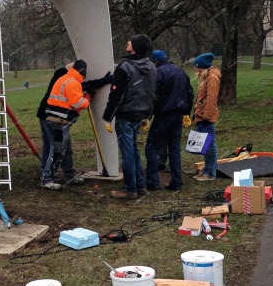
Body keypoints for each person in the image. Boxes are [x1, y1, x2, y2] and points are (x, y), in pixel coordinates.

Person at [39, 60, 110, 190]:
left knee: (66, 150)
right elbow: (78, 104)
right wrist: (87, 98)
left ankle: (70, 175)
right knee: (57, 151)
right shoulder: (72, 83)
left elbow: (80, 89)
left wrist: (98, 84)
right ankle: (47, 179)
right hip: (58, 122)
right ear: (82, 71)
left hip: (56, 120)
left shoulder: (66, 79)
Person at [103, 34, 157, 198]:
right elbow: (152, 94)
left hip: (126, 115)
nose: (127, 42)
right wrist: (147, 114)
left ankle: (130, 190)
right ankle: (140, 186)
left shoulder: (125, 67)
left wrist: (108, 116)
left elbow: (116, 95)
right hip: (139, 114)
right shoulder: (151, 67)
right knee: (133, 150)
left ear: (136, 47)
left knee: (127, 154)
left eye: (131, 41)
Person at [144, 50, 194, 191]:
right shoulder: (181, 71)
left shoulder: (158, 73)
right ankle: (177, 182)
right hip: (178, 116)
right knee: (174, 149)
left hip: (164, 115)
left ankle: (153, 182)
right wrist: (186, 112)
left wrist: (148, 115)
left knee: (152, 147)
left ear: (155, 62)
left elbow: (154, 95)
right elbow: (189, 93)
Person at [192, 52, 221, 181]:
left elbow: (211, 99)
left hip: (206, 117)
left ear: (202, 66)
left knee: (209, 145)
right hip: (202, 115)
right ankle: (206, 171)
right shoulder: (207, 77)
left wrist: (206, 116)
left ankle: (210, 173)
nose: (196, 69)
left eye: (197, 66)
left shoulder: (212, 78)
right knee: (206, 144)